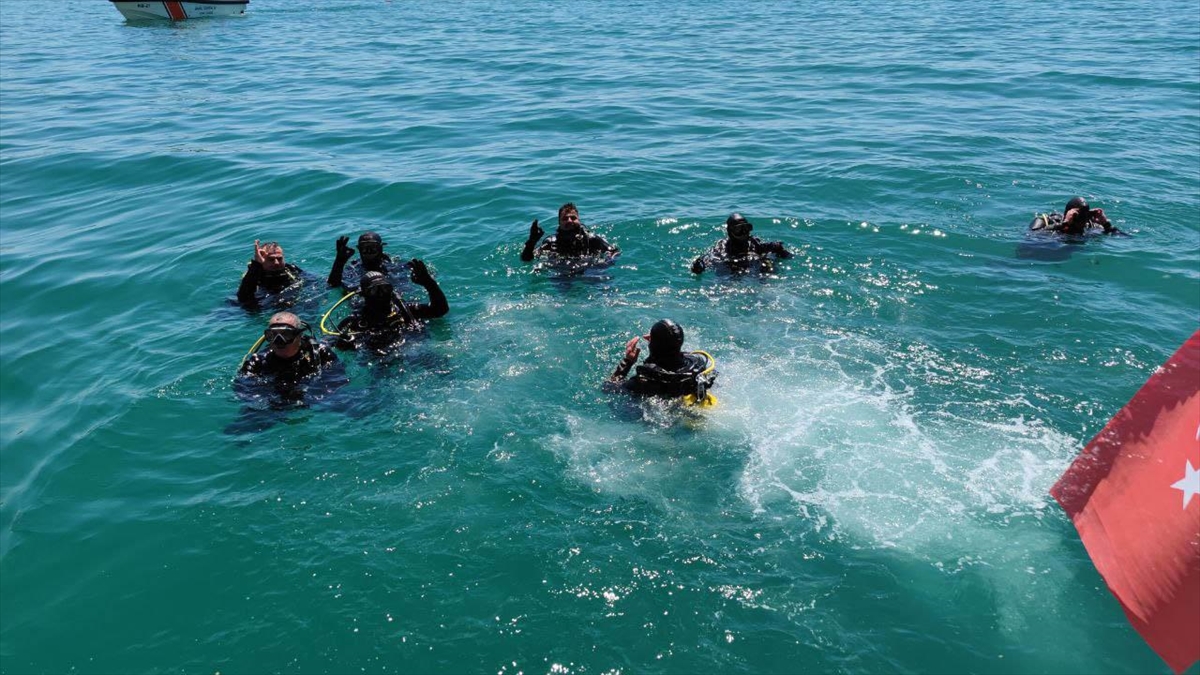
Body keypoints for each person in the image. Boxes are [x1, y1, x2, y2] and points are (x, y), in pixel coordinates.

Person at [334, 260, 448, 351]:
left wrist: (428, 282)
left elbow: (440, 310)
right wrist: (345, 345)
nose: (381, 294)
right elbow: (331, 345)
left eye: (385, 288)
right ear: (363, 294)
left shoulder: (405, 310)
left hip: (418, 348)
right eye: (374, 290)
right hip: (381, 361)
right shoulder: (356, 322)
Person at [608, 319, 717, 403]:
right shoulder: (697, 364)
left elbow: (609, 388)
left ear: (654, 345)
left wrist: (628, 361)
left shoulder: (644, 381)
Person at [239, 311, 339, 381]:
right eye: (273, 335)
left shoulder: (320, 353)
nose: (279, 341)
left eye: (286, 334)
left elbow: (336, 381)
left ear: (299, 335)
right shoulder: (258, 361)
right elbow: (244, 391)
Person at [691, 213, 793, 274]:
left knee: (767, 264)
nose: (744, 233)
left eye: (746, 228)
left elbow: (788, 257)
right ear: (730, 232)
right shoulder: (722, 246)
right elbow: (709, 258)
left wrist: (780, 250)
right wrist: (699, 267)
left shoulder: (754, 243)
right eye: (739, 229)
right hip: (731, 272)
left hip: (753, 271)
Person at [521, 202, 619, 262]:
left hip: (589, 269)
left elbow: (615, 251)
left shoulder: (591, 239)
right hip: (562, 272)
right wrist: (531, 242)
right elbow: (526, 259)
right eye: (565, 218)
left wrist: (607, 261)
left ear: (579, 220)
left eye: (573, 218)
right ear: (559, 223)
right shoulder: (551, 242)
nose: (569, 221)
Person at [328, 231, 407, 290]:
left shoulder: (394, 265)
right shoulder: (354, 268)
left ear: (381, 247)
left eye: (373, 247)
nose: (369, 251)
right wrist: (339, 261)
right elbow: (333, 285)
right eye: (364, 248)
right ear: (359, 249)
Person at [236, 240, 305, 307]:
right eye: (271, 259)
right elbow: (243, 298)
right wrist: (257, 264)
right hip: (265, 306)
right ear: (261, 259)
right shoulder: (254, 275)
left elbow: (312, 282)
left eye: (279, 259)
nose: (276, 263)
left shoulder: (291, 269)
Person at [1029, 197, 1121, 235]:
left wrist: (1106, 224)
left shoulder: (1089, 225)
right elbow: (1032, 237)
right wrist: (1064, 224)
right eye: (1077, 216)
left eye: (1084, 217)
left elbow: (1123, 237)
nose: (1081, 222)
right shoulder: (1044, 221)